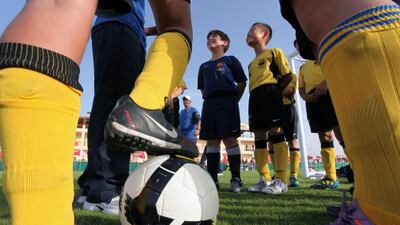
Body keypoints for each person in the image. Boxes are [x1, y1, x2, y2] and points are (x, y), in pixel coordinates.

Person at [0, 0, 194, 224]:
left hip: (113, 26)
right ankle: (145, 105)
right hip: (121, 27)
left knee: (54, 5)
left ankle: (45, 214)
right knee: (176, 23)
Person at [280, 0, 400, 224]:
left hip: (354, 54)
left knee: (348, 131)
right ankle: (368, 196)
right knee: (334, 135)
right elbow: (302, 88)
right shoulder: (306, 66)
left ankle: (383, 208)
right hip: (317, 96)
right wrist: (307, 95)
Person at [76, 0, 146, 215]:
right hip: (121, 24)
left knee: (106, 104)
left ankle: (92, 187)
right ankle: (107, 191)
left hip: (121, 26)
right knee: (117, 108)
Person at [246, 22, 293, 194]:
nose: (248, 33)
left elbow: (288, 75)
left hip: (271, 93)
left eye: (253, 30)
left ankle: (281, 180)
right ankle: (264, 179)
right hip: (255, 97)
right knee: (258, 136)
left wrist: (275, 92)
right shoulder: (251, 64)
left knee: (276, 132)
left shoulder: (274, 52)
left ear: (265, 34)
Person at [197, 30, 247, 192]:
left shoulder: (230, 60)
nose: (210, 38)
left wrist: (233, 101)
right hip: (209, 104)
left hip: (228, 102)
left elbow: (241, 82)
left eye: (214, 37)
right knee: (212, 141)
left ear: (224, 43)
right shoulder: (203, 66)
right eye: (208, 37)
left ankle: (236, 179)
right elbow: (202, 89)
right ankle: (212, 180)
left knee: (230, 139)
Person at [298, 60, 344, 190]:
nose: (300, 48)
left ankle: (357, 173)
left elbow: (336, 70)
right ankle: (331, 177)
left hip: (330, 94)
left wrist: (326, 83)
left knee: (340, 131)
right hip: (313, 100)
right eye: (298, 46)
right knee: (324, 135)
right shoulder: (303, 67)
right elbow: (301, 88)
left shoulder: (325, 57)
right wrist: (305, 96)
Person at [268, 43, 301, 187]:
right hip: (274, 109)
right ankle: (277, 173)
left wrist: (271, 94)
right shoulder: (270, 78)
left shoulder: (291, 75)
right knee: (272, 142)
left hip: (287, 108)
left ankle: (293, 175)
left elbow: (289, 91)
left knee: (292, 140)